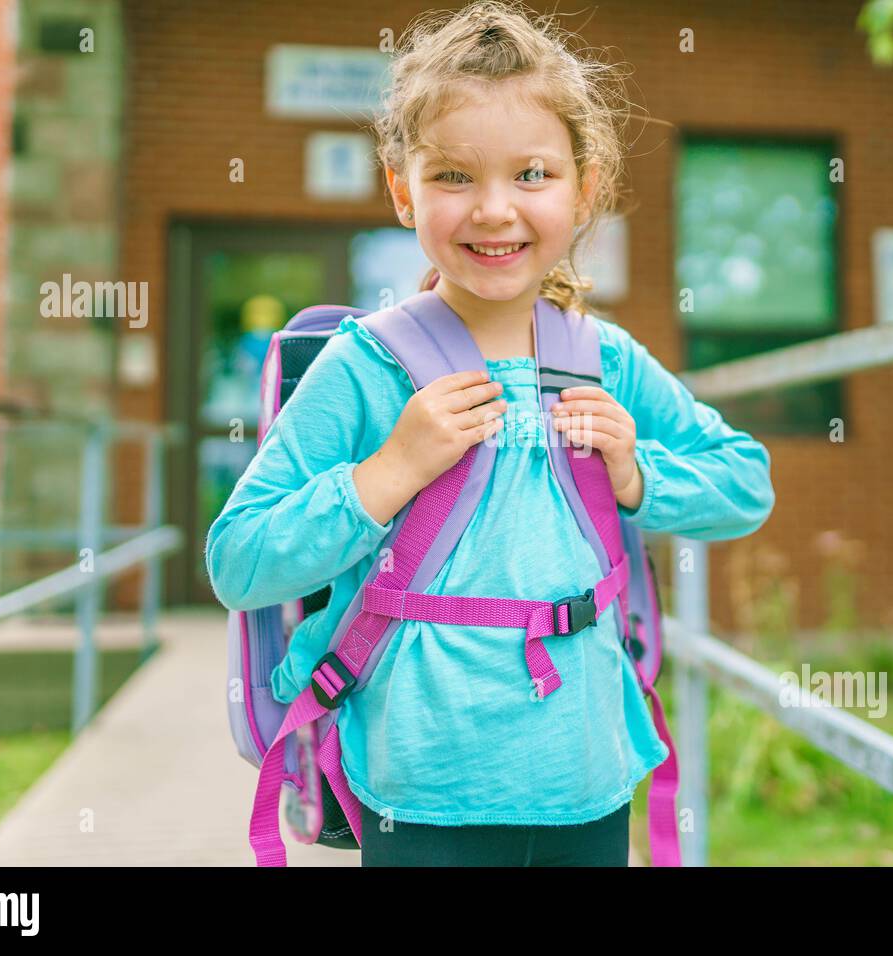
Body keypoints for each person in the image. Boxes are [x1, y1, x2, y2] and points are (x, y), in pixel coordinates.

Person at [205, 0, 775, 866]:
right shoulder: (367, 368)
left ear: (586, 189)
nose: (494, 210)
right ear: (404, 191)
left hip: (586, 777)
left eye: (533, 175)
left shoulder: (602, 358)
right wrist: (387, 472)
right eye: (454, 177)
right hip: (417, 792)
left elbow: (745, 484)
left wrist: (636, 472)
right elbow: (239, 562)